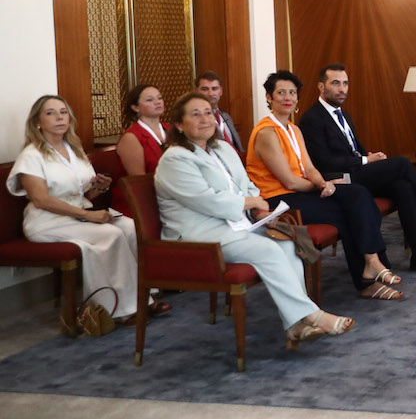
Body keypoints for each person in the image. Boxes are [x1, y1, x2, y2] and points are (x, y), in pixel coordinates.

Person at [155, 93, 353, 347]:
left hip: (235, 226)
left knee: (288, 243)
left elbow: (246, 185)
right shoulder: (175, 158)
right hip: (199, 234)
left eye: (207, 112)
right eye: (195, 114)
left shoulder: (222, 148)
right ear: (179, 125)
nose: (205, 119)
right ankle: (311, 315)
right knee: (268, 248)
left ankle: (296, 324)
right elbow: (208, 201)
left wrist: (261, 212)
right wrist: (253, 203)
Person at [5, 95, 169, 323]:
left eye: (63, 112)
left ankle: (143, 296)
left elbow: (82, 195)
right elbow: (41, 200)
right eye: (50, 113)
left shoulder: (74, 150)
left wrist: (99, 189)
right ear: (37, 122)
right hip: (47, 221)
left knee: (129, 227)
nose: (59, 117)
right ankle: (119, 309)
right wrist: (88, 215)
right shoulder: (32, 155)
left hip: (79, 214)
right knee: (110, 235)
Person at [245, 70, 404, 300]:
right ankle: (370, 276)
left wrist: (324, 182)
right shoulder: (267, 133)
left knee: (357, 194)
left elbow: (309, 169)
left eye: (292, 92)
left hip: (301, 191)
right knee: (347, 212)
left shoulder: (294, 129)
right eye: (281, 92)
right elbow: (289, 181)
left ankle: (372, 263)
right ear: (269, 97)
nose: (288, 97)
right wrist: (321, 187)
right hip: (279, 200)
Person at [298, 63, 416, 273]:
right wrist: (365, 162)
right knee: (402, 163)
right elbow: (324, 162)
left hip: (356, 172)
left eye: (345, 83)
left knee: (402, 186)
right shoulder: (311, 119)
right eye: (336, 83)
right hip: (339, 179)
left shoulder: (344, 115)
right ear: (321, 87)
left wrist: (367, 157)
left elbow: (354, 151)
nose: (342, 89)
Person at [111, 83, 169, 215]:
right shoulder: (131, 137)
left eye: (159, 98)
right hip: (140, 203)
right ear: (135, 107)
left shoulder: (171, 130)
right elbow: (140, 182)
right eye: (150, 100)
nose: (157, 102)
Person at [196, 70, 243, 153]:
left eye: (214, 89)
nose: (210, 93)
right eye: (204, 89)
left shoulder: (226, 117)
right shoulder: (195, 120)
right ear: (196, 91)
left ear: (221, 91)